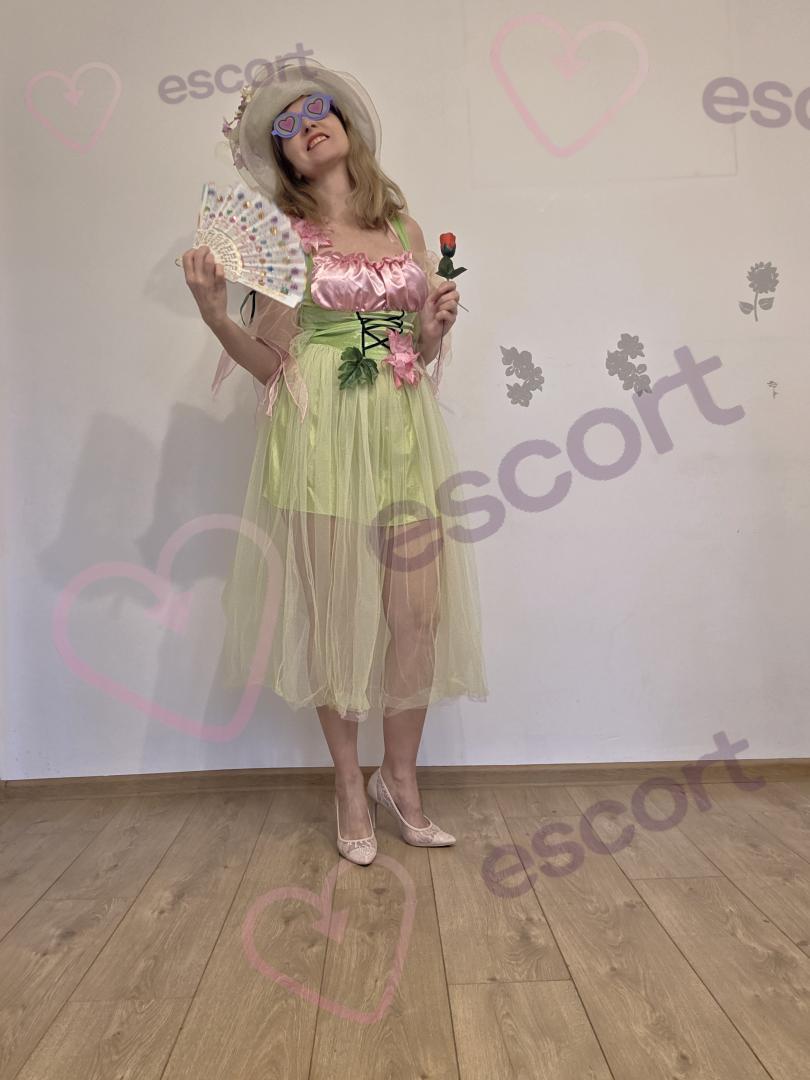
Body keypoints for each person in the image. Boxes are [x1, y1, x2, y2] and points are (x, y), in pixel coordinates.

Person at [182, 55, 488, 865]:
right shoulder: (285, 242)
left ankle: (400, 780)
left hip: (400, 427)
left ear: (345, 122)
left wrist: (434, 330)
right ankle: (349, 784)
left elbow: (417, 350)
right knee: (335, 615)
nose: (306, 126)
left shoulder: (404, 229)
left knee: (416, 616)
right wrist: (218, 318)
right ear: (283, 158)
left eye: (315, 109)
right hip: (319, 429)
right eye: (286, 126)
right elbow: (270, 364)